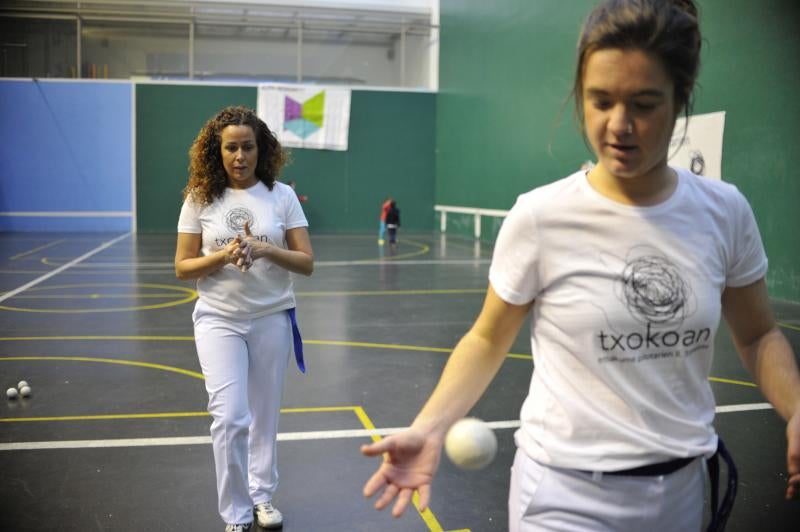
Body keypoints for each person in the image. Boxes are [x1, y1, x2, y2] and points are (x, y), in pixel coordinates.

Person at [361, 1, 800, 531]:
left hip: (682, 493)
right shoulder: (541, 216)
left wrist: (796, 407)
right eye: (601, 101)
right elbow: (487, 338)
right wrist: (430, 428)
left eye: (644, 103)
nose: (619, 125)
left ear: (681, 98)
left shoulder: (724, 211)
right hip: (563, 498)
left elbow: (758, 336)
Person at [175, 106, 314, 532]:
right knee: (231, 417)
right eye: (230, 147)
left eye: (247, 147)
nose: (239, 156)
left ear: (262, 149)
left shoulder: (282, 197)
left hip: (271, 318)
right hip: (218, 320)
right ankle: (235, 514)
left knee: (264, 414)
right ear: (216, 152)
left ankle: (262, 497)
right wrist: (223, 256)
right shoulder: (200, 197)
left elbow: (306, 262)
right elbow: (182, 266)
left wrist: (265, 249)